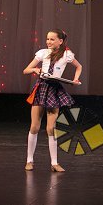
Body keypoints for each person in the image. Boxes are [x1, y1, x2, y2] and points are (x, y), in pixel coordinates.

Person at [22, 29, 82, 172]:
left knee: (51, 128)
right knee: (34, 127)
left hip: (54, 90)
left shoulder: (67, 54)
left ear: (60, 41)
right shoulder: (43, 53)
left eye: (52, 39)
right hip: (42, 88)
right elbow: (26, 70)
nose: (48, 42)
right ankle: (29, 160)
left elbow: (79, 66)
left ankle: (54, 163)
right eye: (47, 39)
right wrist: (35, 70)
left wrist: (75, 79)